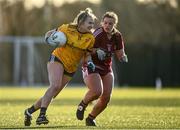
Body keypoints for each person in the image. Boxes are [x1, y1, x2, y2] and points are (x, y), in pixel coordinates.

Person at [24, 8, 97, 126]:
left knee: (53, 93)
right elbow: (48, 34)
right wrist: (49, 40)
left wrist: (89, 62)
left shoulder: (91, 38)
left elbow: (86, 56)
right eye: (89, 22)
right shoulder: (66, 28)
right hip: (57, 59)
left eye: (93, 23)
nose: (92, 25)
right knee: (55, 86)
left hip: (71, 68)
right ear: (80, 22)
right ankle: (42, 115)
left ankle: (29, 111)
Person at [76, 11, 128, 126]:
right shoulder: (97, 33)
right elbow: (86, 50)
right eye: (105, 23)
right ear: (102, 23)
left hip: (106, 67)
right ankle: (82, 105)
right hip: (91, 64)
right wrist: (96, 51)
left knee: (106, 98)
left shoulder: (117, 36)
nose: (107, 26)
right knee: (96, 91)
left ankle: (91, 118)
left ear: (115, 24)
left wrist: (123, 56)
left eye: (110, 24)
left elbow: (120, 54)